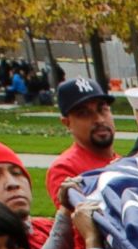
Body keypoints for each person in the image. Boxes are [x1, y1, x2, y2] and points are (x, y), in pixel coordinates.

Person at [45, 78, 119, 207]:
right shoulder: (65, 170)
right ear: (67, 123)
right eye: (84, 113)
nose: (99, 119)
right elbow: (84, 223)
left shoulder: (122, 162)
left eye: (102, 109)